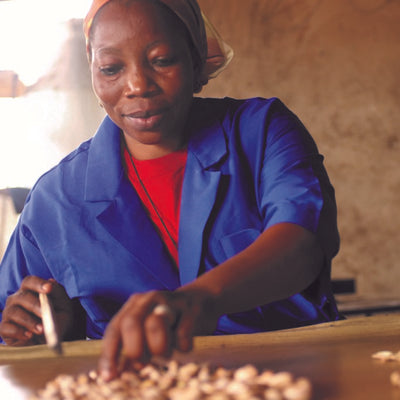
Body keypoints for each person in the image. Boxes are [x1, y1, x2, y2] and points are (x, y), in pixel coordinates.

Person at [0, 0, 340, 381]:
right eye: (111, 69)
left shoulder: (261, 132)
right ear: (93, 70)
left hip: (284, 380)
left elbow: (302, 245)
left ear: (197, 60)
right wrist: (42, 329)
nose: (137, 86)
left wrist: (199, 300)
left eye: (161, 61)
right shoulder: (54, 200)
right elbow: (16, 335)